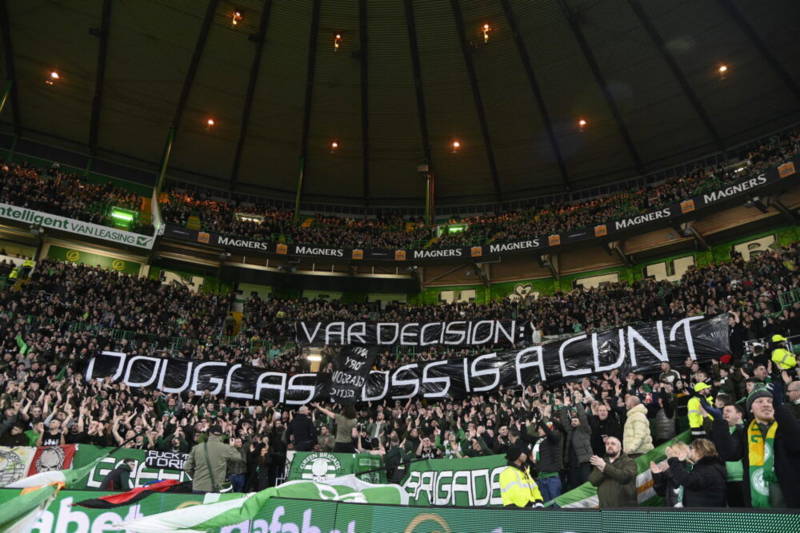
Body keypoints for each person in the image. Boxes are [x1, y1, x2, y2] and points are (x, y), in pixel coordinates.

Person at [710, 385, 800, 507]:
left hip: (790, 500)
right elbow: (730, 454)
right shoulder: (745, 431)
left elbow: (796, 443)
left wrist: (780, 409)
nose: (766, 404)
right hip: (758, 500)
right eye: (759, 401)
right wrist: (719, 422)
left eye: (770, 401)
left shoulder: (787, 424)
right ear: (750, 409)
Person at [665, 438, 727, 507]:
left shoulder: (708, 470)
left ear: (699, 451)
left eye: (691, 448)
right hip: (704, 513)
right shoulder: (708, 467)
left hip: (706, 514)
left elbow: (687, 481)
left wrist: (673, 460)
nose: (690, 450)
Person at [183, 425, 244, 492]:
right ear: (221, 435)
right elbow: (238, 457)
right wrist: (232, 447)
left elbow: (186, 467)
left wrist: (195, 477)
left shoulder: (197, 448)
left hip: (198, 486)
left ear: (210, 434)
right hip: (215, 487)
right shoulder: (225, 448)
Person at [588, 436, 637, 507]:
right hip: (605, 508)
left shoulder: (629, 462)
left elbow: (625, 477)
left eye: (613, 444)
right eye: (607, 444)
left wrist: (605, 467)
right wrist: (602, 469)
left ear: (620, 448)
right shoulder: (600, 462)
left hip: (625, 509)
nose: (609, 446)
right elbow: (593, 481)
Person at [560, 400, 593, 489]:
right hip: (572, 464)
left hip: (583, 463)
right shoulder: (570, 431)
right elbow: (564, 420)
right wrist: (564, 407)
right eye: (572, 420)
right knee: (575, 487)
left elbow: (583, 417)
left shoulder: (585, 429)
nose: (573, 422)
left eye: (576, 420)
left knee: (586, 487)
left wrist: (578, 403)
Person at [650, 441, 690, 507]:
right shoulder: (670, 469)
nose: (671, 456)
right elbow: (661, 493)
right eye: (670, 454)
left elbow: (678, 485)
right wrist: (657, 475)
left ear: (684, 454)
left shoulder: (690, 468)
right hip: (671, 510)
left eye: (675, 453)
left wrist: (667, 471)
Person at [533, 416, 563, 501]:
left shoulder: (556, 436)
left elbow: (551, 434)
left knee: (555, 505)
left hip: (552, 478)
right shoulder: (539, 442)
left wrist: (541, 422)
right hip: (541, 477)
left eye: (541, 429)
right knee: (546, 506)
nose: (539, 430)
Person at [721, 403, 745, 507]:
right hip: (726, 479)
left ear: (739, 415)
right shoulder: (721, 432)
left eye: (728, 411)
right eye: (723, 412)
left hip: (743, 478)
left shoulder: (748, 429)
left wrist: (740, 426)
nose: (724, 414)